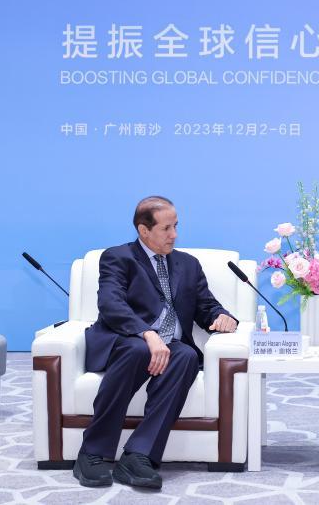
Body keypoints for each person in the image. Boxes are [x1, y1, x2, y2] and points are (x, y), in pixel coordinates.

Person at [74, 196, 238, 490]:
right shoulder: (118, 257)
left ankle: (139, 455)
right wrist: (147, 334)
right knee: (138, 349)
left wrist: (222, 317)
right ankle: (91, 453)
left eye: (176, 226)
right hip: (127, 341)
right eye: (166, 228)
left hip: (171, 345)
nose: (174, 235)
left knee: (186, 355)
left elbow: (206, 306)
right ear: (143, 230)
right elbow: (111, 304)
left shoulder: (188, 264)